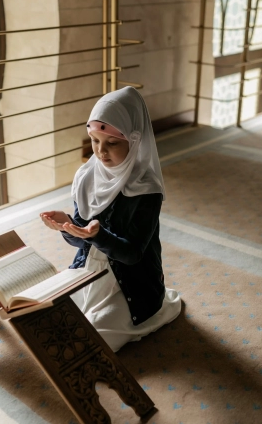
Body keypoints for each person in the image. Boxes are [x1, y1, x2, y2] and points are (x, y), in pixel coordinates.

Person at [40, 86, 181, 352]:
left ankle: (154, 306)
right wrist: (67, 225)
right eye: (94, 141)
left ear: (134, 140)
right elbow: (83, 243)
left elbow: (132, 255)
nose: (101, 152)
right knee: (49, 316)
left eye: (112, 143)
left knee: (89, 339)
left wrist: (98, 236)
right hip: (90, 272)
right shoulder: (88, 177)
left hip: (131, 284)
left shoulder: (146, 189)